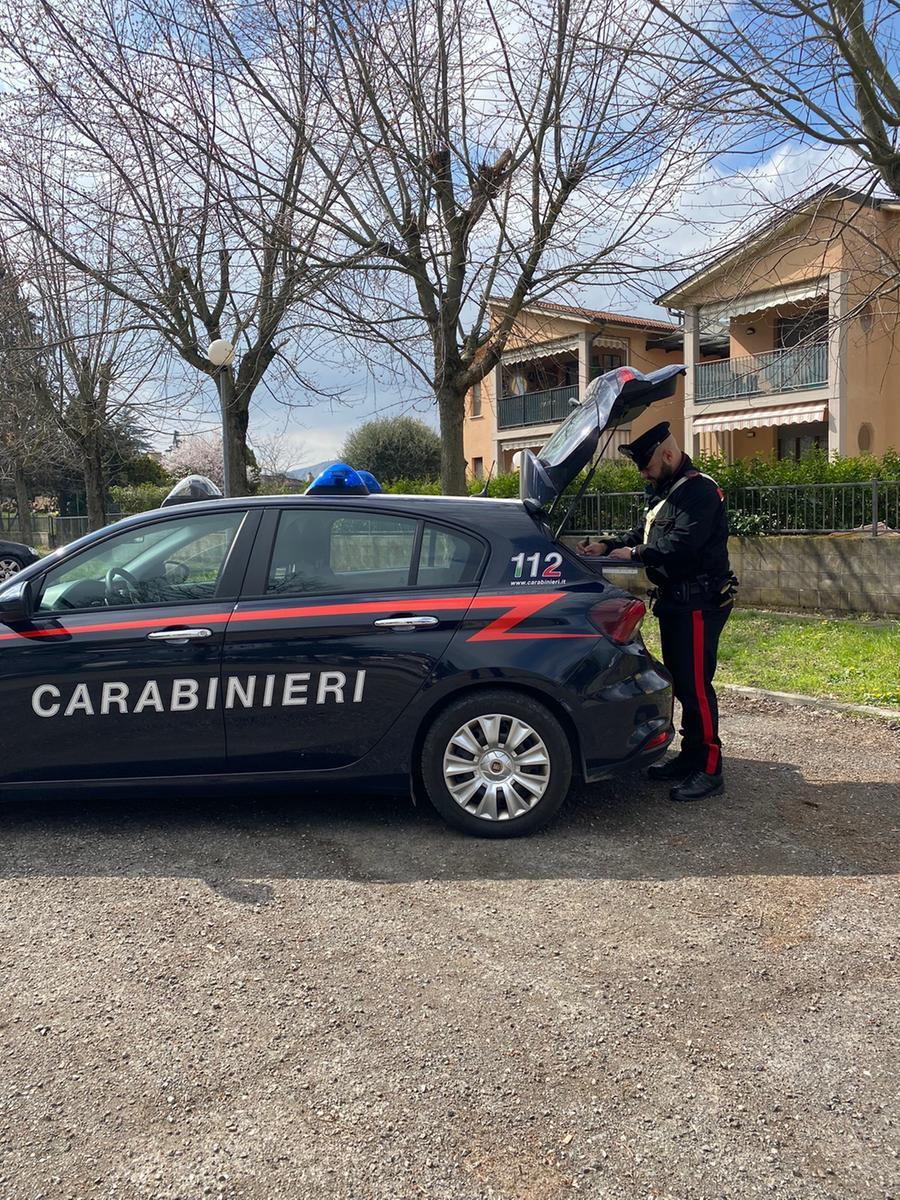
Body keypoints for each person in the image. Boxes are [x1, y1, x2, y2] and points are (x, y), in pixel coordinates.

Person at [578, 421, 737, 802]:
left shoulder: (700, 491)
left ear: (668, 454)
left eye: (646, 466)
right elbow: (646, 534)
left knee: (697, 687)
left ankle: (710, 768)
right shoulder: (666, 491)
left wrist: (634, 554)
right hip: (675, 600)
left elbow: (682, 544)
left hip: (699, 602)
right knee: (682, 684)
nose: (643, 473)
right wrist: (608, 545)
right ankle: (690, 757)